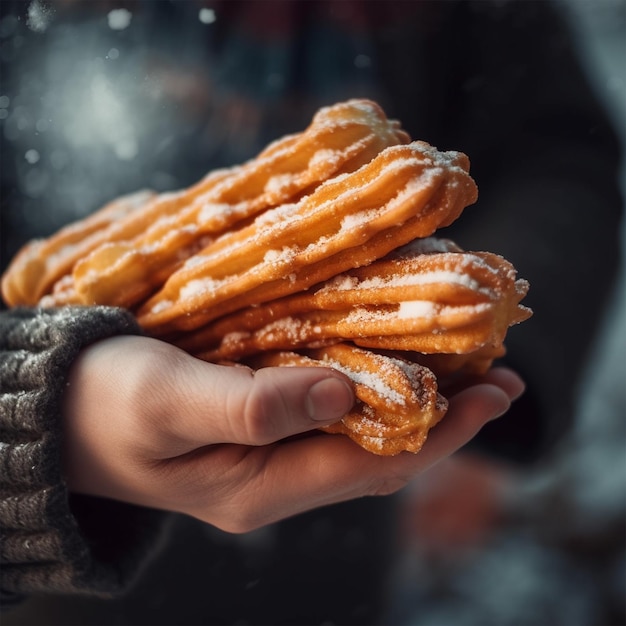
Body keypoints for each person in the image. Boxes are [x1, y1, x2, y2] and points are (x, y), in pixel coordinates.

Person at [0, 1, 622, 625]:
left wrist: (468, 372)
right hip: (55, 532)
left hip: (341, 505)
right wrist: (39, 413)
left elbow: (555, 154)